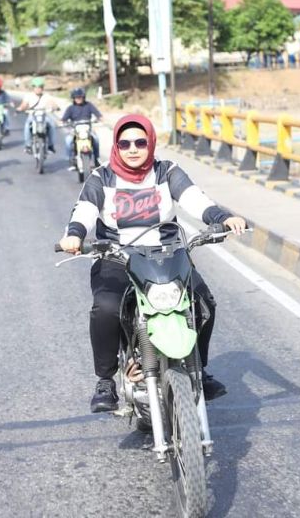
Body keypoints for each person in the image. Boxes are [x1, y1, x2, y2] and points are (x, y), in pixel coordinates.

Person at [58, 114, 248, 413]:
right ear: (116, 147)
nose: (133, 149)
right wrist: (74, 234)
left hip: (168, 255)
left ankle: (199, 367)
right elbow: (84, 209)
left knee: (203, 303)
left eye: (140, 142)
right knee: (105, 309)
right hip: (117, 258)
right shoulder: (101, 176)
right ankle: (105, 380)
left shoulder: (166, 171)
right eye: (125, 143)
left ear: (151, 143)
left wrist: (221, 217)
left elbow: (194, 198)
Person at [61, 87, 102, 170]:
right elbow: (64, 119)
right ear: (73, 98)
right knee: (68, 141)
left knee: (96, 140)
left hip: (88, 129)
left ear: (83, 97)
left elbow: (98, 115)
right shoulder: (70, 108)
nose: (78, 99)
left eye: (80, 97)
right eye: (76, 97)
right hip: (75, 130)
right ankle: (71, 160)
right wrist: (63, 122)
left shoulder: (89, 105)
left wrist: (99, 118)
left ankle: (97, 159)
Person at [15, 77, 59, 155]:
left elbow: (52, 103)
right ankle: (28, 146)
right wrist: (20, 108)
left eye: (40, 87)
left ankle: (50, 146)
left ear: (43, 88)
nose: (38, 89)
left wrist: (56, 107)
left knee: (51, 125)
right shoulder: (29, 96)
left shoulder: (46, 96)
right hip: (33, 115)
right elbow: (24, 104)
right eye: (36, 87)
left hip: (44, 115)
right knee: (27, 125)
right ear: (33, 87)